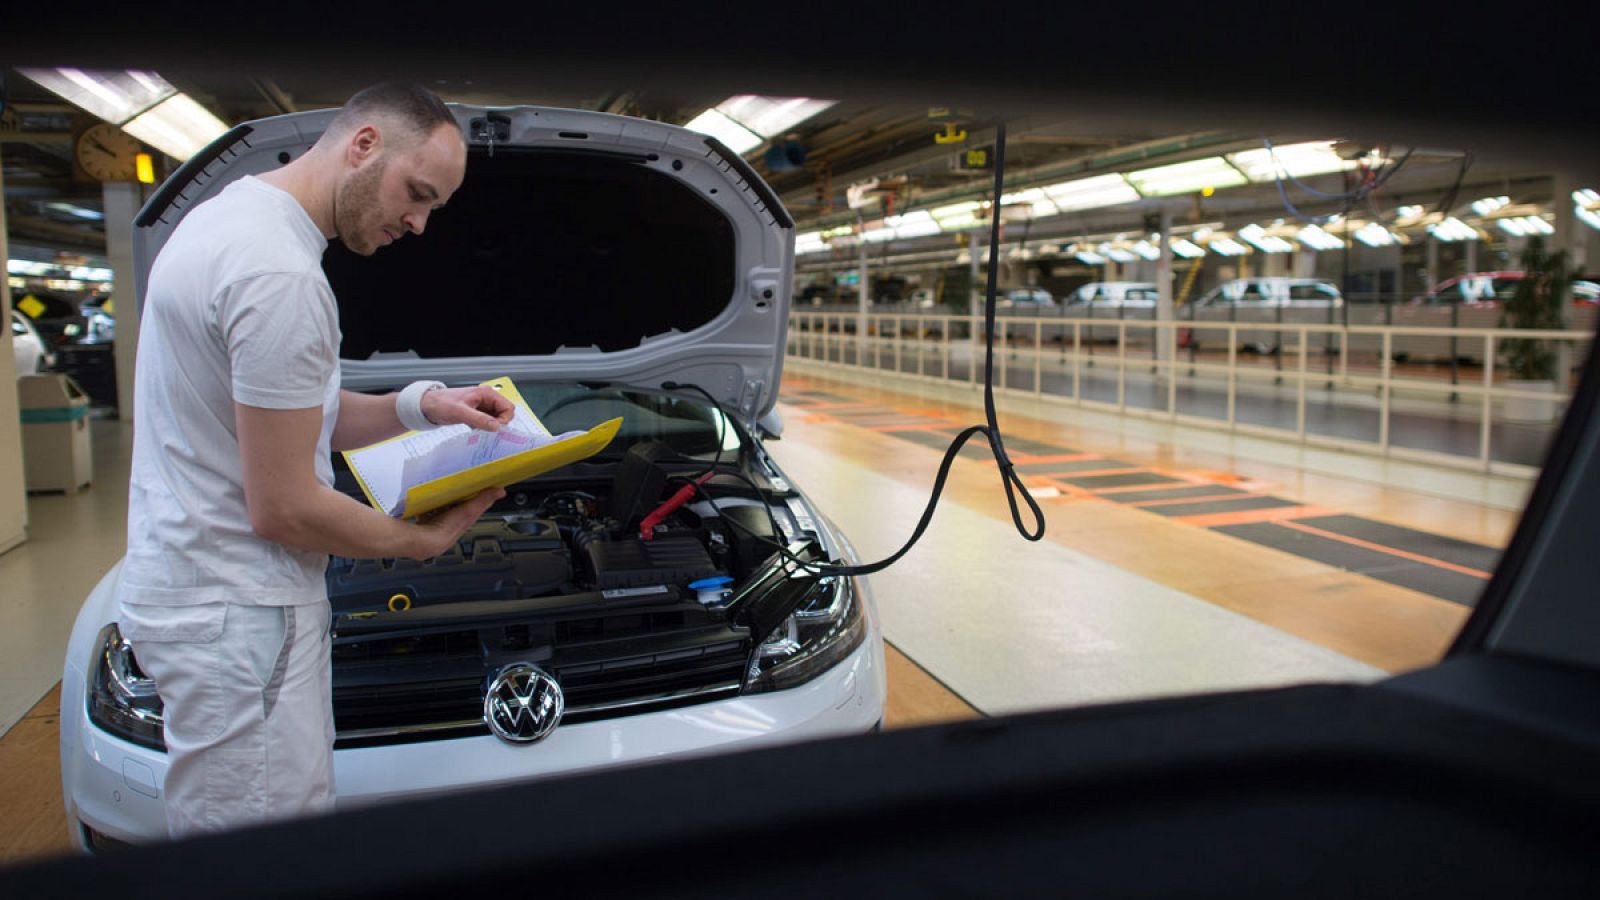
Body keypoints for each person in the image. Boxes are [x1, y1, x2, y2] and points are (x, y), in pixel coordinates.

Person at [115, 82, 512, 838]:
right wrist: (416, 541)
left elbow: (298, 421)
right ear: (364, 144)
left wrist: (421, 403)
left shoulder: (231, 220)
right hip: (243, 612)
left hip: (204, 595)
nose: (420, 224)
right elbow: (286, 505)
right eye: (417, 194)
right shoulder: (281, 279)